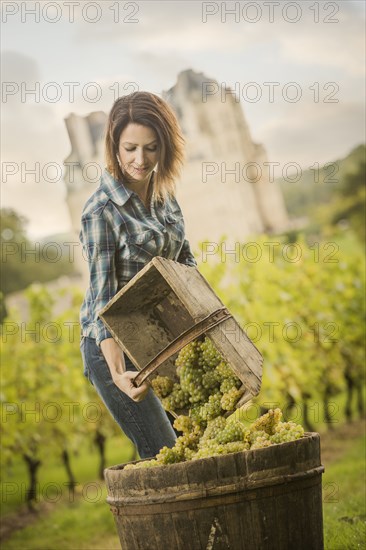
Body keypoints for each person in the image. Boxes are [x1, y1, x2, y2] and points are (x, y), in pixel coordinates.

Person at [79, 91, 197, 459]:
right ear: (114, 147)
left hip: (161, 338)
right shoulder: (101, 211)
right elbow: (103, 301)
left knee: (200, 443)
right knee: (166, 453)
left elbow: (186, 262)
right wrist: (117, 372)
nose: (140, 160)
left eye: (151, 147)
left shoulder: (165, 194)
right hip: (113, 348)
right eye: (130, 148)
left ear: (165, 146)